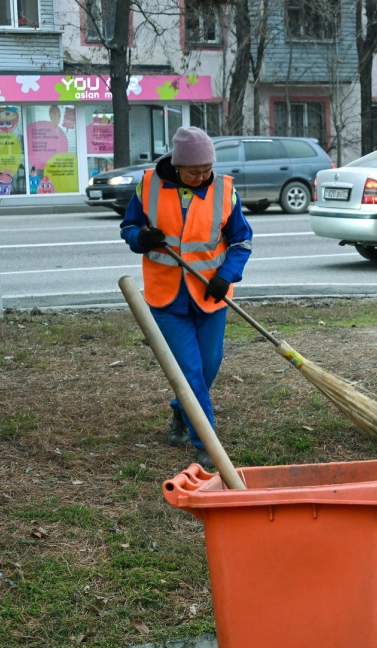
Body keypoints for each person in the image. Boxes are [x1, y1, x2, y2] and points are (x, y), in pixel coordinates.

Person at [120, 127, 253, 470]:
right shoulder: (148, 185)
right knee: (190, 372)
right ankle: (206, 442)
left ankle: (182, 410)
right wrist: (143, 237)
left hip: (210, 295)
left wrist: (226, 276)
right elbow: (129, 229)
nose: (203, 175)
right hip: (166, 298)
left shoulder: (225, 190)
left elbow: (241, 241)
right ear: (177, 166)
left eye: (207, 168)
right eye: (194, 170)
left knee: (208, 368)